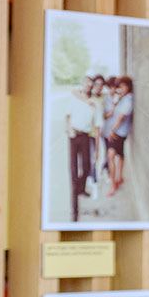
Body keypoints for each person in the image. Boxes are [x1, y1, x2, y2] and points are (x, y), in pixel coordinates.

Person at [65, 76, 97, 221]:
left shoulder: (95, 103)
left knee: (86, 168)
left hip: (85, 136)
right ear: (83, 84)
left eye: (91, 84)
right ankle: (74, 211)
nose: (88, 86)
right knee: (73, 171)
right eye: (86, 83)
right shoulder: (74, 98)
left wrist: (96, 150)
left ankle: (80, 188)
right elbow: (67, 116)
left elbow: (97, 128)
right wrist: (67, 128)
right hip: (73, 136)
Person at [106, 76, 134, 197]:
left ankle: (113, 184)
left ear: (128, 86)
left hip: (119, 133)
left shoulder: (128, 100)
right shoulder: (124, 98)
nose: (121, 89)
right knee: (120, 155)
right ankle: (120, 177)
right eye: (119, 87)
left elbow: (121, 117)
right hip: (121, 132)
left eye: (123, 86)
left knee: (110, 156)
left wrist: (112, 130)